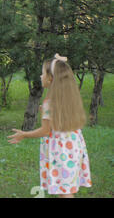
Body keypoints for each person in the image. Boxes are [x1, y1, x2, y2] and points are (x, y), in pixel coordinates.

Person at [8, 54, 92, 198]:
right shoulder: (68, 98)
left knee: (64, 192)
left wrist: (24, 134)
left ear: (50, 78)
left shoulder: (49, 102)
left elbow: (45, 130)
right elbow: (60, 119)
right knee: (67, 188)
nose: (41, 76)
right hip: (73, 147)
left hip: (60, 151)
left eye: (43, 73)